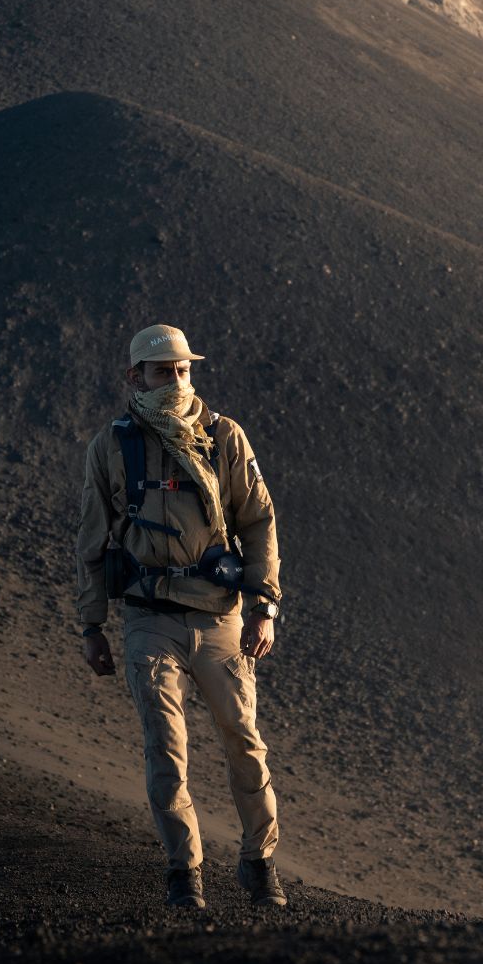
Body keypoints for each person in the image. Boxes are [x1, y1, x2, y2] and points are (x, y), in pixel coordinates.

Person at [76, 322, 286, 909]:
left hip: (219, 617)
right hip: (150, 619)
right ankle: (184, 872)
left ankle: (259, 861)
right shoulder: (111, 447)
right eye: (163, 370)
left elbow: (259, 522)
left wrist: (264, 607)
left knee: (245, 742)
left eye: (184, 369)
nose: (176, 379)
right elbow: (91, 540)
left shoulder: (223, 437)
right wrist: (91, 625)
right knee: (166, 749)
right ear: (135, 376)